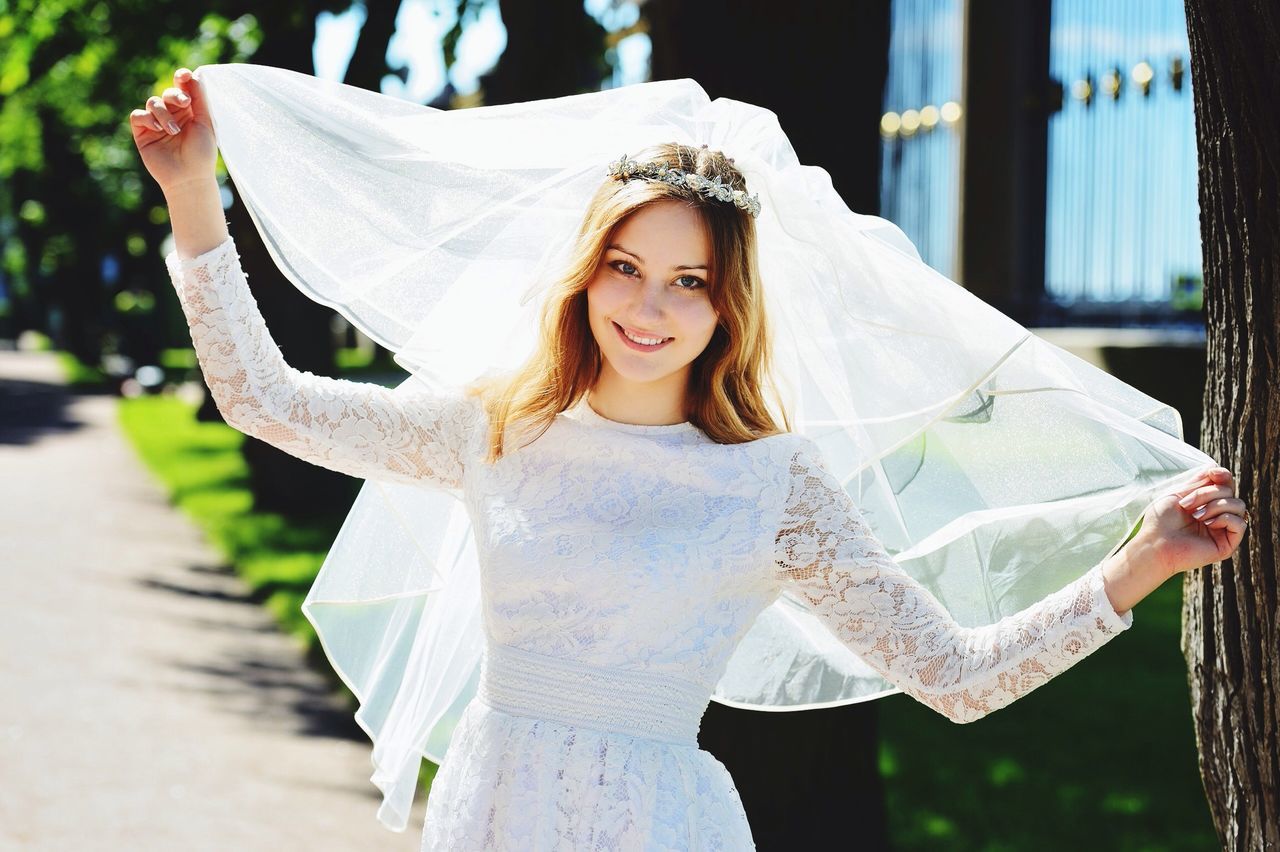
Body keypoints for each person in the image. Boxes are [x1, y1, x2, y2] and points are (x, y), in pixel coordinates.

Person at [131, 66, 1249, 850]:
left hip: (658, 823)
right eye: (625, 266)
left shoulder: (771, 486)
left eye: (688, 281)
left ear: (726, 307)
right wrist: (192, 193)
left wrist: (1141, 562)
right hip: (490, 810)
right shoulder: (495, 428)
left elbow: (954, 679)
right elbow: (264, 402)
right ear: (585, 272)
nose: (649, 307)